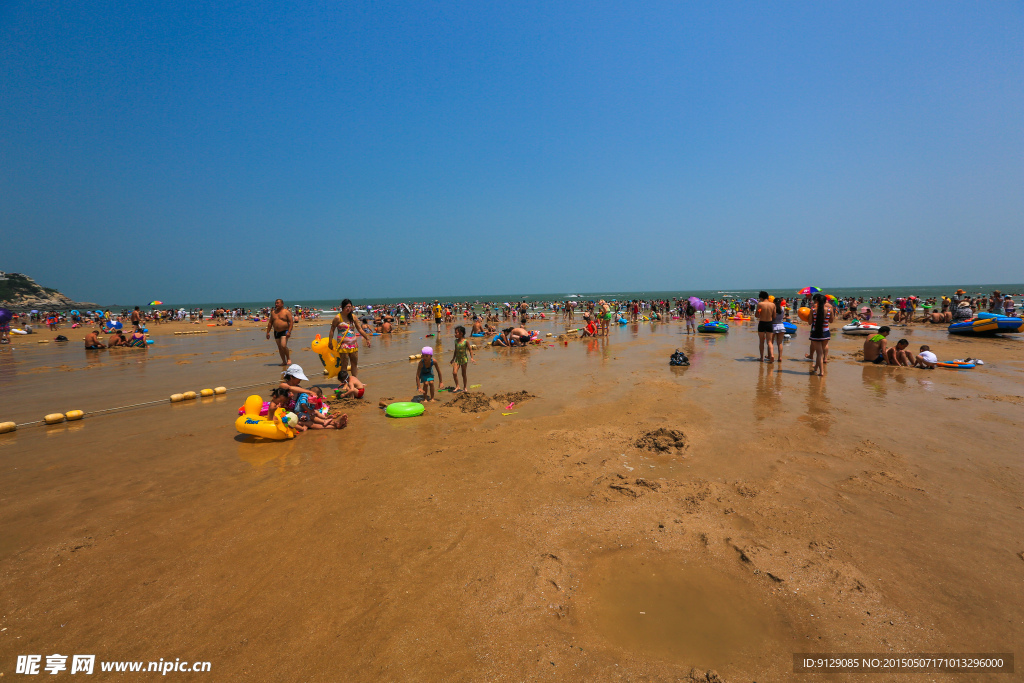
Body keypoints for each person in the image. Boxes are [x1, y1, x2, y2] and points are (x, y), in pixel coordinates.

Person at [278, 364, 346, 429]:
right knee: (309, 422)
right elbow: (290, 388)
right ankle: (334, 425)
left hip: (297, 413)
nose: (300, 380)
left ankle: (334, 423)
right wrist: (308, 391)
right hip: (286, 414)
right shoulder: (283, 386)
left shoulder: (299, 388)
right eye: (299, 378)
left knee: (312, 415)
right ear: (291, 377)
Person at [328, 299, 372, 378]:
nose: (348, 308)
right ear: (342, 307)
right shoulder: (338, 317)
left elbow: (359, 329)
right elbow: (332, 330)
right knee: (344, 365)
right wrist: (330, 342)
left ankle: (355, 381)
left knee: (354, 363)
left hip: (353, 344)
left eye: (350, 307)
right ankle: (345, 382)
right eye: (346, 307)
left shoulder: (353, 317)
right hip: (343, 345)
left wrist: (367, 338)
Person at [807, 293, 832, 376]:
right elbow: (831, 321)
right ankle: (816, 368)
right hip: (826, 332)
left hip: (816, 332)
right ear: (825, 301)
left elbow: (810, 322)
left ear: (817, 300)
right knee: (821, 353)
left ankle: (821, 372)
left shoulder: (813, 310)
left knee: (819, 354)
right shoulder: (829, 310)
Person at [266, 299, 294, 366]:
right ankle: (284, 361)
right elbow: (270, 323)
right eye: (275, 303)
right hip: (276, 332)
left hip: (285, 331)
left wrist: (289, 331)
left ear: (282, 304)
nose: (276, 304)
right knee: (279, 347)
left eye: (278, 303)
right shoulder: (273, 313)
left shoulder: (286, 312)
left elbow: (291, 322)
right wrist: (268, 332)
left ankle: (288, 358)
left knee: (283, 346)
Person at [450, 325, 475, 392]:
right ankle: (457, 386)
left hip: (464, 359)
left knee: (463, 374)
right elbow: (455, 351)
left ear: (461, 334)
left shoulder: (466, 341)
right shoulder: (456, 341)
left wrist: (472, 358)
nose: (455, 334)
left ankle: (465, 387)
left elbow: (470, 350)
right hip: (457, 359)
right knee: (454, 373)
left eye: (456, 333)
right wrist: (453, 359)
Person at [755, 291, 776, 362]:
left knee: (761, 341)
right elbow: (774, 316)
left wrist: (759, 313)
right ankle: (772, 355)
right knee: (769, 341)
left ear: (761, 297)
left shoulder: (760, 304)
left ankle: (761, 358)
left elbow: (756, 315)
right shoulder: (773, 305)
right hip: (769, 323)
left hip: (762, 323)